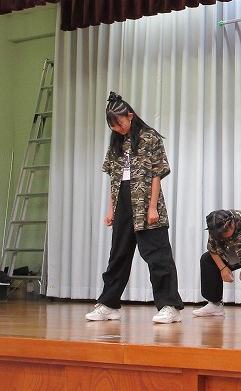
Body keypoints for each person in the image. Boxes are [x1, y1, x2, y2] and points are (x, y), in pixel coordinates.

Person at [85, 92, 184, 324]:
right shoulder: (116, 142)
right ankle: (108, 304)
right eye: (112, 125)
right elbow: (114, 178)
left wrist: (153, 207)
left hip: (146, 202)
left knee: (158, 256)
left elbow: (157, 173)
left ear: (130, 116)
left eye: (119, 123)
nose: (116, 128)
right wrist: (111, 209)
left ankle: (169, 306)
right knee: (118, 255)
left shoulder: (149, 137)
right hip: (123, 201)